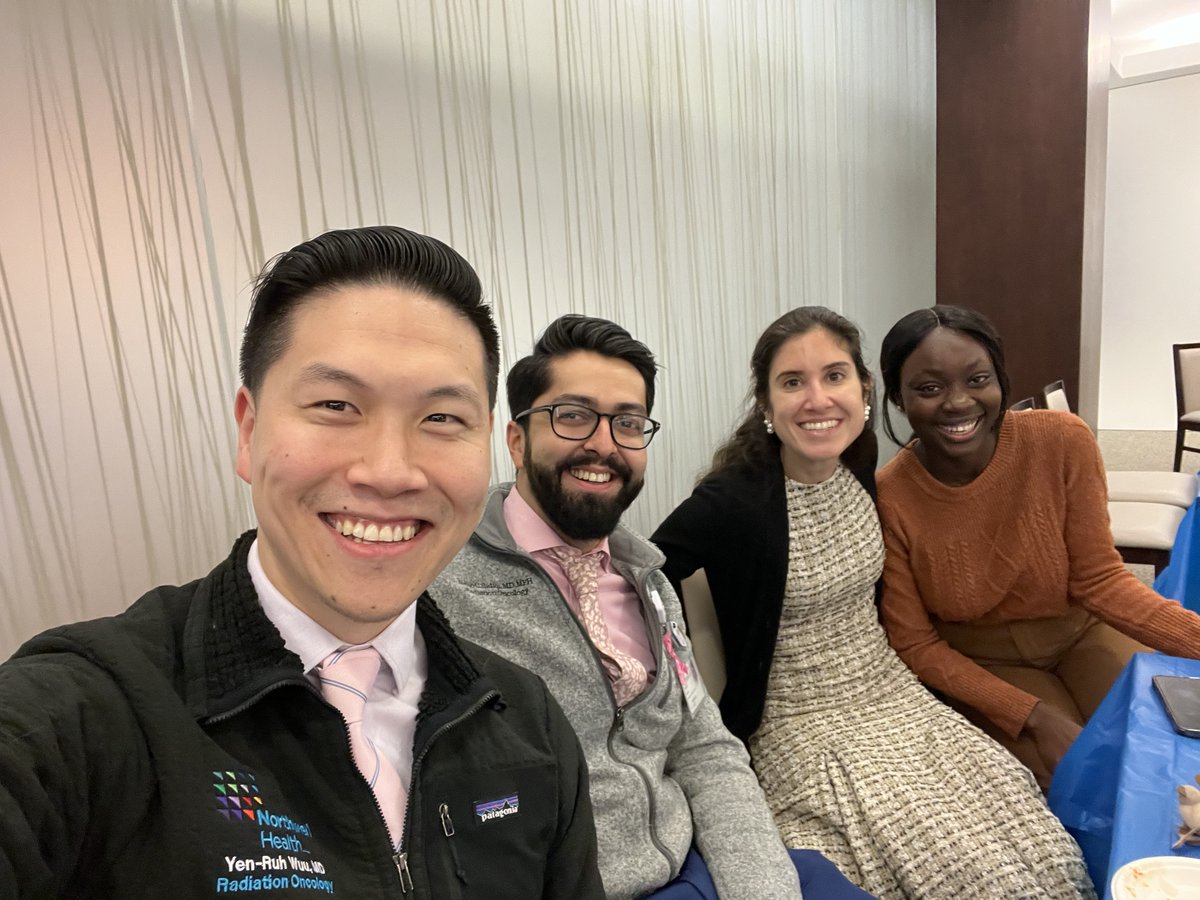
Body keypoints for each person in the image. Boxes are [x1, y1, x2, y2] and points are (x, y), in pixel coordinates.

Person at [0, 226, 604, 899]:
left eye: (440, 418)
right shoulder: (85, 720)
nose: (388, 471)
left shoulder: (527, 723)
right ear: (250, 431)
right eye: (336, 405)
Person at [652, 307, 1095, 899]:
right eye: (792, 382)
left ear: (864, 391)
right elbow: (642, 573)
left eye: (834, 376)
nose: (817, 399)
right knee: (955, 871)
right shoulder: (732, 502)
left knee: (1034, 839)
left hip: (893, 690)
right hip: (803, 723)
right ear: (766, 403)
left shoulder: (858, 465)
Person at [431, 315, 872, 900]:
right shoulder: (443, 589)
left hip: (697, 863)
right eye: (573, 416)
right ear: (517, 439)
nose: (603, 444)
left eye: (628, 423)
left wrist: (761, 888)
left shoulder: (648, 578)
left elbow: (705, 749)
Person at [875, 304, 1200, 788]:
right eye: (929, 388)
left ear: (1001, 381)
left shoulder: (1061, 441)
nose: (958, 402)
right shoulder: (890, 495)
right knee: (1073, 774)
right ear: (899, 400)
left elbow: (1102, 580)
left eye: (977, 379)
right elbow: (914, 643)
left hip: (1080, 632)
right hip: (984, 659)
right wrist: (1032, 715)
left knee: (1163, 748)